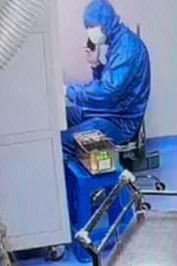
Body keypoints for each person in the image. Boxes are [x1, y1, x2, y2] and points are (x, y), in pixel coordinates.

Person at [62, 0, 151, 160]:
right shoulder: (116, 43)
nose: (90, 31)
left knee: (62, 142)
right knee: (63, 117)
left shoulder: (127, 47)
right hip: (107, 112)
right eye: (87, 27)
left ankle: (80, 183)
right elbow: (110, 86)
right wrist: (95, 64)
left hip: (120, 122)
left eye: (92, 26)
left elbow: (108, 92)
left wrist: (69, 91)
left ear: (106, 23)